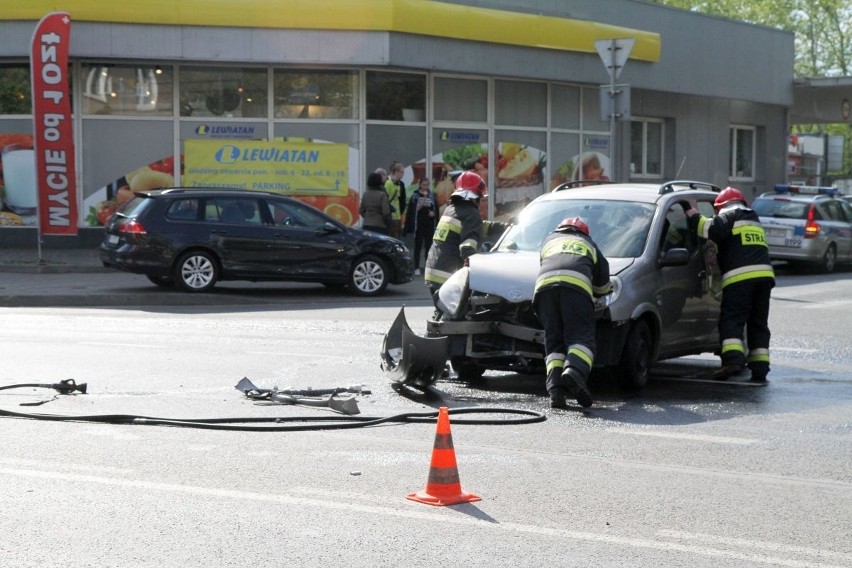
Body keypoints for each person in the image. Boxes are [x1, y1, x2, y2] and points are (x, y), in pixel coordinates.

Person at [686, 187, 775, 382]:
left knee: (732, 319)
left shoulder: (730, 215)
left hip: (740, 278)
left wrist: (694, 215)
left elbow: (710, 229)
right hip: (764, 278)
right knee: (758, 323)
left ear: (721, 207)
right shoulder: (753, 217)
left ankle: (732, 361)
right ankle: (760, 368)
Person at [532, 217, 611, 409]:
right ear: (584, 232)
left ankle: (555, 391)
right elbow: (601, 287)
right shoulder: (588, 244)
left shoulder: (548, 242)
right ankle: (574, 371)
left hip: (543, 292)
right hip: (575, 292)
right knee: (581, 339)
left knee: (554, 343)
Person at [424, 170, 507, 313]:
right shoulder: (470, 214)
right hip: (448, 276)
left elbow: (476, 227)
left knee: (443, 313)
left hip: (433, 271)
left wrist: (504, 227)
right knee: (459, 317)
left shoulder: (451, 210)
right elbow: (467, 248)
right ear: (476, 196)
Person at [404, 177, 439, 277]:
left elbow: (435, 208)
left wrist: (434, 214)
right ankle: (416, 267)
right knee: (418, 247)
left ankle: (428, 267)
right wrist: (423, 199)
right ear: (420, 185)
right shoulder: (415, 196)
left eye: (427, 185)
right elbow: (414, 210)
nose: (425, 187)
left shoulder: (432, 195)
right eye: (424, 185)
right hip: (419, 225)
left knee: (429, 246)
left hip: (429, 224)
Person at [384, 162, 407, 238]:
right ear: (396, 172)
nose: (403, 174)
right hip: (391, 215)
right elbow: (385, 199)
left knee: (397, 236)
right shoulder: (388, 183)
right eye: (401, 172)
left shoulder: (398, 184)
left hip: (397, 215)